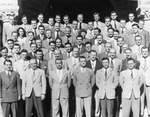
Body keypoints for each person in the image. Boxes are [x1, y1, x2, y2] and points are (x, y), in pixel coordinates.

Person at [86, 50, 103, 117]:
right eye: (92, 55)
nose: (93, 56)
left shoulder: (100, 63)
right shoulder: (86, 64)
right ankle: (90, 114)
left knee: (97, 100)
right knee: (89, 100)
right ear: (89, 55)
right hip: (89, 85)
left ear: (96, 56)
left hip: (98, 85)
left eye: (94, 55)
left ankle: (97, 113)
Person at [139, 47, 150, 117]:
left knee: (149, 99)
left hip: (149, 82)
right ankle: (141, 113)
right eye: (143, 51)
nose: (144, 53)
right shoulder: (139, 60)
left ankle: (149, 112)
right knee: (141, 99)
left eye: (146, 51)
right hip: (141, 82)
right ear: (141, 52)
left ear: (148, 52)